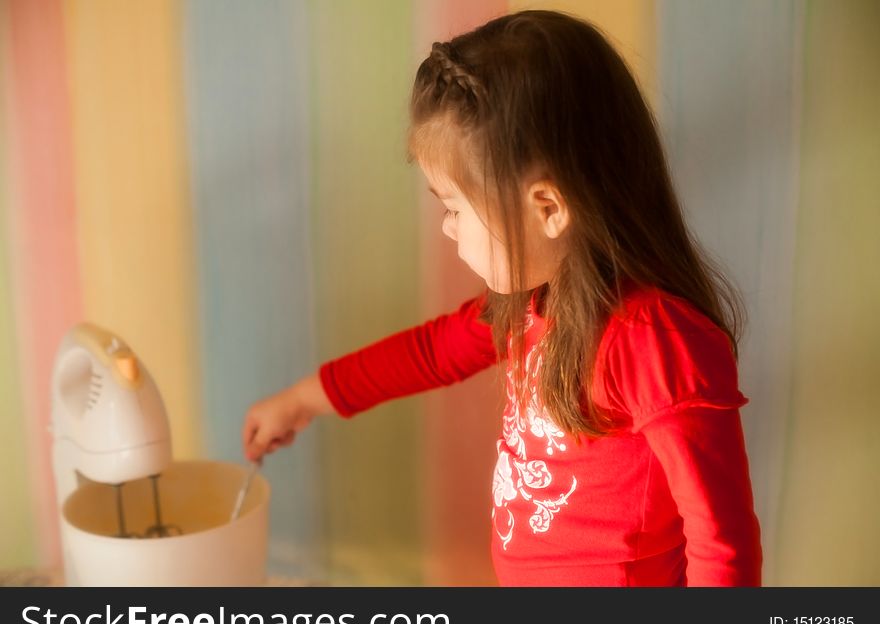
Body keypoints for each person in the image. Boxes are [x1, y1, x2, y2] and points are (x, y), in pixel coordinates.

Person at [242, 9, 762, 587]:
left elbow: (722, 543)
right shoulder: (535, 305)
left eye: (454, 209)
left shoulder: (654, 340)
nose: (447, 228)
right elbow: (432, 352)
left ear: (548, 208)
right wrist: (302, 400)